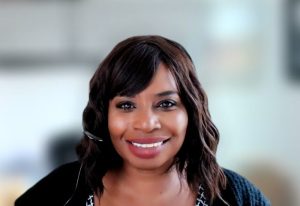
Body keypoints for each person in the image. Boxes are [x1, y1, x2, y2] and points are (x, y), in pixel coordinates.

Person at [15, 35, 270, 206]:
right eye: (126, 105)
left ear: (191, 112)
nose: (147, 123)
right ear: (104, 115)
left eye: (166, 104)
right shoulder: (60, 192)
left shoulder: (236, 197)